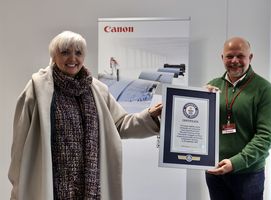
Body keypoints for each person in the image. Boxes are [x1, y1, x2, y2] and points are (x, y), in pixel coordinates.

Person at [8, 30, 162, 200]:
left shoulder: (98, 90)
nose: (73, 58)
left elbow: (121, 124)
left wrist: (150, 115)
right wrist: (17, 186)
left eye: (78, 52)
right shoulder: (37, 89)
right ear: (53, 55)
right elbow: (20, 145)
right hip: (52, 187)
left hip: (91, 186)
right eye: (65, 52)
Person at [205, 37, 271, 200]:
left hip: (248, 174)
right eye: (230, 56)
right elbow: (202, 127)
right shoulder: (212, 86)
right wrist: (198, 100)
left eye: (240, 56)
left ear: (250, 58)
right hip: (215, 171)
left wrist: (235, 163)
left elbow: (266, 137)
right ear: (222, 57)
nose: (235, 61)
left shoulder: (265, 89)